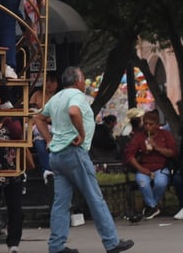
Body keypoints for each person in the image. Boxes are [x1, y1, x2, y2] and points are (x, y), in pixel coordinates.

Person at [33, 66, 134, 253]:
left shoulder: (56, 98)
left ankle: (56, 246)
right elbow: (73, 112)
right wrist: (81, 132)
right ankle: (111, 242)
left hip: (56, 155)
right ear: (78, 81)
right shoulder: (76, 95)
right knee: (95, 198)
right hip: (74, 153)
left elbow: (38, 118)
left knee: (61, 203)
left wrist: (49, 139)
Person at [124, 107, 177, 220]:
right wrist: (141, 169)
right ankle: (153, 207)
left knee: (161, 183)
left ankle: (150, 206)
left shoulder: (165, 135)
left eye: (151, 124)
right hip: (144, 167)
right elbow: (129, 155)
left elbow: (172, 152)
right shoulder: (139, 137)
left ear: (157, 125)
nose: (148, 126)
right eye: (146, 124)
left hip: (161, 168)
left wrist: (157, 148)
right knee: (142, 181)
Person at [0, 116, 24, 253]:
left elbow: (17, 133)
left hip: (12, 170)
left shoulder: (12, 120)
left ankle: (14, 243)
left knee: (15, 208)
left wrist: (8, 119)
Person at [31, 72, 61, 183]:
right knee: (39, 137)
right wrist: (43, 119)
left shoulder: (60, 97)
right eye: (46, 80)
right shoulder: (37, 95)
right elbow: (32, 114)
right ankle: (46, 170)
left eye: (52, 81)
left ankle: (55, 169)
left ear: (57, 84)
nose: (48, 83)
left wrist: (46, 118)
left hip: (56, 127)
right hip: (38, 127)